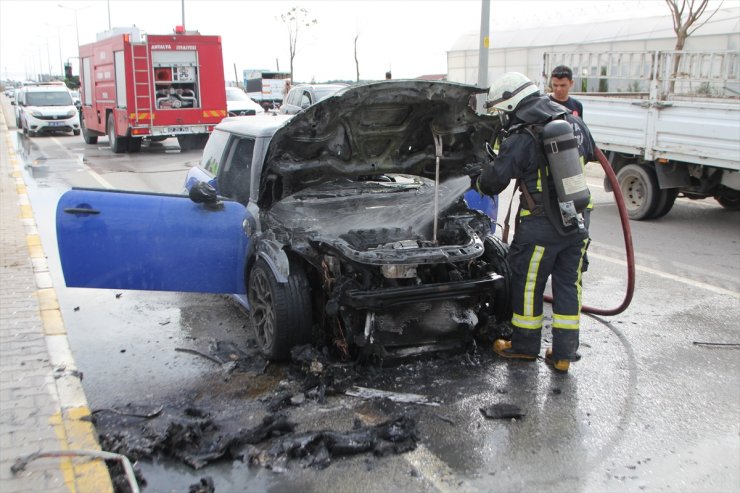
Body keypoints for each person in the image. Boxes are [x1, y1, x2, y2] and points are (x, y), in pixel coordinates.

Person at [472, 72, 596, 373]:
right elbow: (590, 154)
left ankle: (525, 347)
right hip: (578, 220)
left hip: (540, 227)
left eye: (503, 112)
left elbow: (494, 181)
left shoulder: (522, 135)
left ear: (512, 104)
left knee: (528, 286)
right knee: (569, 286)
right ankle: (564, 354)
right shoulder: (572, 121)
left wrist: (477, 177)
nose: (502, 118)